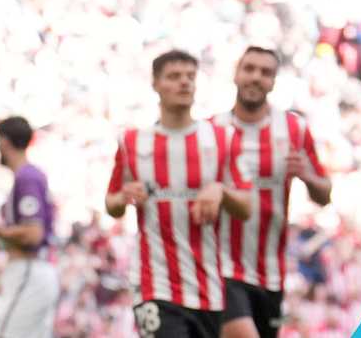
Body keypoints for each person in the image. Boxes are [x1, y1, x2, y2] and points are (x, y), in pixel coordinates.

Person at [106, 50, 252, 338]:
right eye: (174, 77)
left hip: (207, 286)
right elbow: (111, 203)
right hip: (154, 283)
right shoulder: (133, 142)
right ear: (156, 84)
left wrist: (221, 191)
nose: (184, 83)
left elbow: (246, 207)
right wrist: (123, 196)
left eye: (190, 77)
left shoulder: (222, 138)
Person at [214, 47, 332, 338]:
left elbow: (324, 195)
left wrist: (307, 175)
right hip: (221, 267)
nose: (256, 77)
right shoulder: (211, 131)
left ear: (274, 81)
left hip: (270, 272)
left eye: (265, 72)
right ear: (236, 73)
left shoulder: (293, 128)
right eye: (250, 69)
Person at [0, 116, 59, 338]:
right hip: (36, 270)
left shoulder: (27, 177)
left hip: (29, 270)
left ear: (4, 142)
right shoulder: (30, 175)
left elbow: (33, 234)